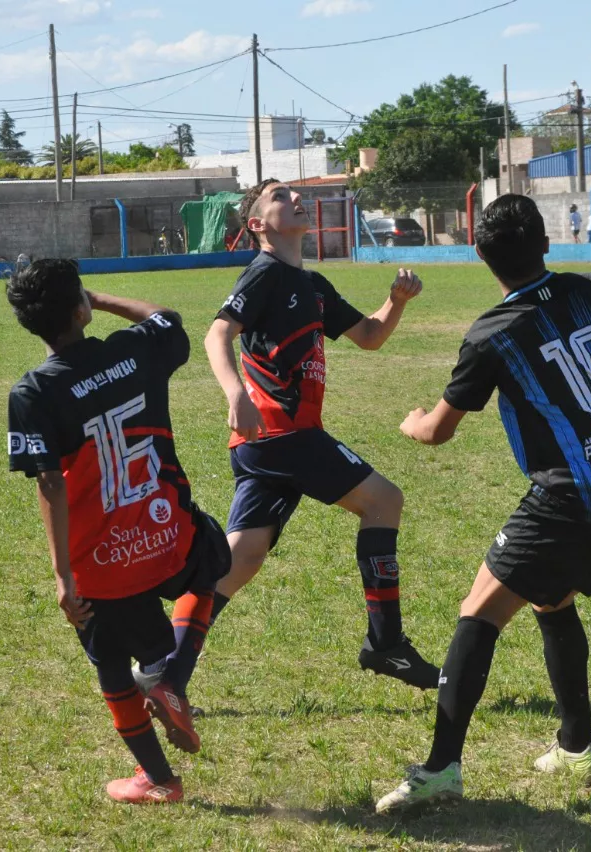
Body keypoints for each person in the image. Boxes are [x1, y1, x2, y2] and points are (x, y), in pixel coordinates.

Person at [375, 195, 591, 814]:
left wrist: (410, 423)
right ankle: (577, 746)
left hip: (575, 497)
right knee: (553, 596)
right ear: (547, 242)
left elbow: (439, 430)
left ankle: (441, 769)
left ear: (480, 256)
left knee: (478, 613)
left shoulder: (495, 333)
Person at [197, 178, 440, 690]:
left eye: (295, 194)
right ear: (258, 224)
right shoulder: (262, 274)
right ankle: (386, 644)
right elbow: (217, 333)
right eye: (278, 197)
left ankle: (159, 664)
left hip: (273, 442)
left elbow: (369, 337)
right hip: (283, 434)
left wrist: (395, 300)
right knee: (384, 501)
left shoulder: (313, 286)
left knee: (241, 559)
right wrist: (234, 394)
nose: (294, 199)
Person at [6, 259, 230, 804]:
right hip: (170, 534)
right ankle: (167, 671)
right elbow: (167, 318)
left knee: (110, 663)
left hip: (103, 563)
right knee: (217, 556)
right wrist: (100, 299)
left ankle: (158, 776)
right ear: (81, 308)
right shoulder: (133, 351)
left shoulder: (32, 392)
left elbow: (51, 485)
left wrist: (64, 575)